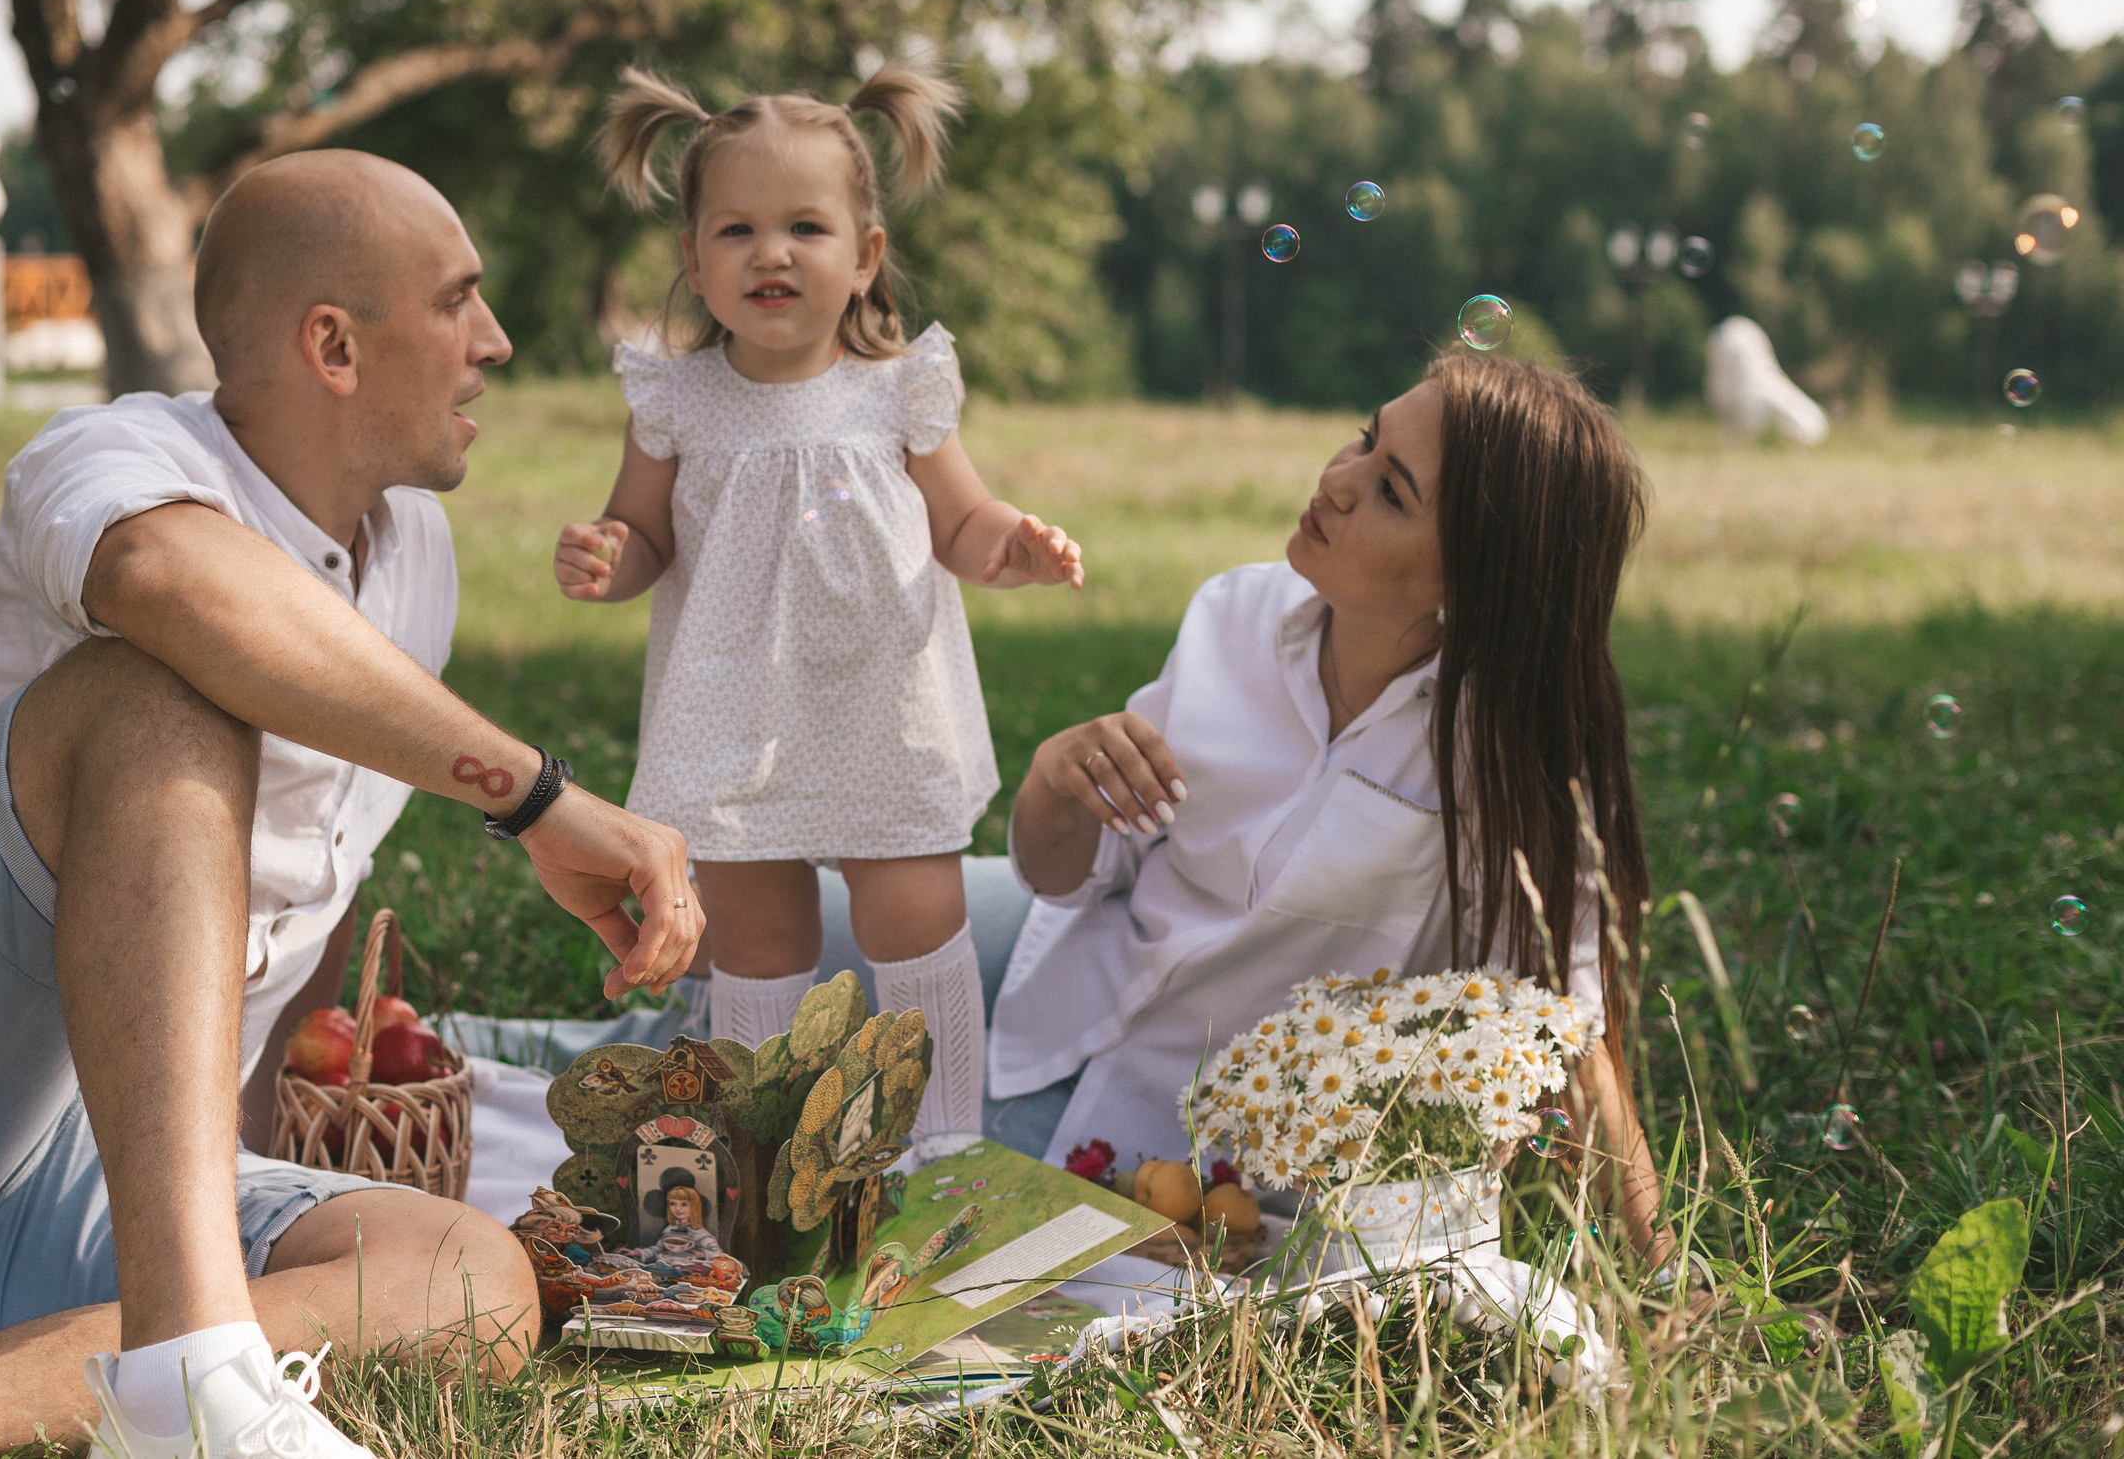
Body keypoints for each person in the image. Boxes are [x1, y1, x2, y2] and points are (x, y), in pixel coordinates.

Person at [0, 152, 702, 1459]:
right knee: (165, 690)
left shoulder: (418, 558)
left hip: (55, 1189)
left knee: (472, 1275)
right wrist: (538, 796)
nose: (495, 342)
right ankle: (191, 1361)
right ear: (332, 343)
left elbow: (302, 880)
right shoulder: (115, 454)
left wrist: (270, 1163)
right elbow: (172, 579)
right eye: (458, 301)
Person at [991, 349, 1677, 1265]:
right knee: (807, 931)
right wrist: (1053, 778)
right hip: (1060, 980)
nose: (1336, 481)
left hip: (1177, 1141)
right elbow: (1066, 876)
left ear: (1477, 582)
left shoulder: (1508, 760)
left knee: (890, 1171)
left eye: (1391, 490)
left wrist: (1666, 1269)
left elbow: (1570, 1034)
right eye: (1363, 439)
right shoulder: (1232, 615)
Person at [549, 64, 1084, 1163]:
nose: (771, 253)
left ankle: (940, 1145)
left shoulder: (899, 389)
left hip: (882, 702)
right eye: (736, 230)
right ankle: (762, 1149)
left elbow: (962, 521)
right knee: (756, 934)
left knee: (912, 917)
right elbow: (643, 534)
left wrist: (1013, 550)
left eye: (805, 226)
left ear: (865, 255)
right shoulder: (677, 401)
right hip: (734, 711)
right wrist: (610, 557)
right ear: (695, 263)